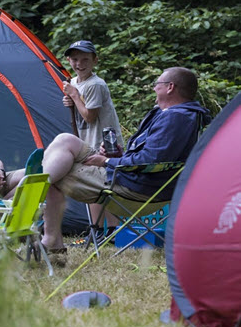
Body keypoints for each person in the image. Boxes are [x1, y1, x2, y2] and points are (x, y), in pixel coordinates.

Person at [41, 67, 211, 252]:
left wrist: (106, 162)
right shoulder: (172, 114)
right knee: (66, 140)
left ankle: (49, 239)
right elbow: (152, 157)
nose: (154, 88)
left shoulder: (177, 118)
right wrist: (119, 156)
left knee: (56, 176)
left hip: (135, 188)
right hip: (132, 178)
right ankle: (27, 191)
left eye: (157, 84)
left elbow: (149, 162)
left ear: (170, 87)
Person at [62, 40, 124, 237]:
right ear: (68, 60)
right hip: (87, 140)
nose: (80, 64)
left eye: (85, 59)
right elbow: (78, 109)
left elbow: (90, 115)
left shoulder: (96, 85)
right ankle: (97, 229)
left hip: (104, 144)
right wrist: (70, 99)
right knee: (92, 185)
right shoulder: (73, 82)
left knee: (102, 186)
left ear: (95, 60)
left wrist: (74, 96)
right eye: (75, 59)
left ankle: (110, 230)